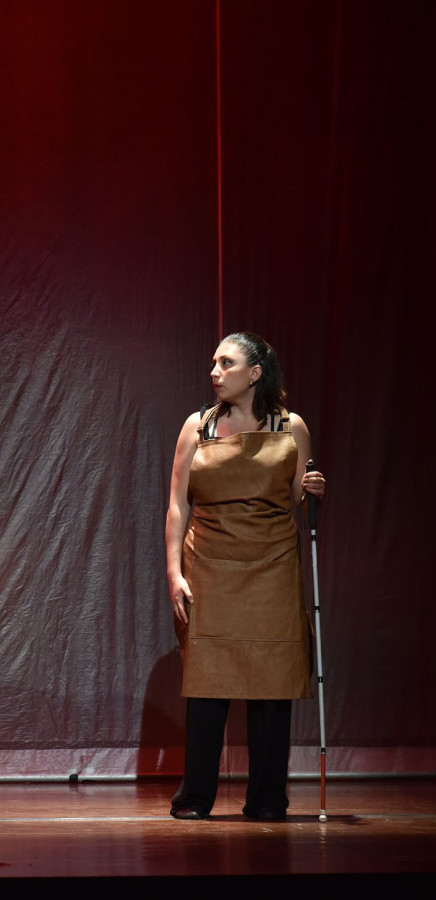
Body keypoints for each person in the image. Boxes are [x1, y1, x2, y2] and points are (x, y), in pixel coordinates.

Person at [165, 332, 327, 820]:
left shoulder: (291, 426)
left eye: (226, 362)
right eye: (213, 361)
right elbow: (176, 505)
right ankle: (196, 797)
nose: (214, 370)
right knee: (207, 682)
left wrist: (312, 489)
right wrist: (174, 573)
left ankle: (266, 799)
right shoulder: (198, 427)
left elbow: (297, 499)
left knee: (272, 682)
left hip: (272, 565)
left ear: (254, 374)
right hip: (210, 564)